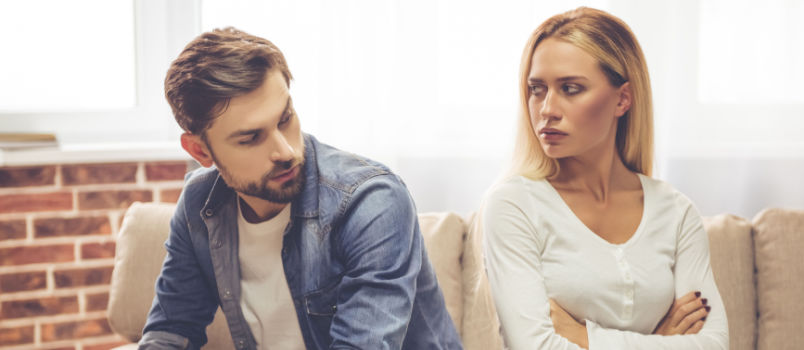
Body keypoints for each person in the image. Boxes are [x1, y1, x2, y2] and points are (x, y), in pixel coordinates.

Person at [138, 27, 462, 350]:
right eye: (251, 137)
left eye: (285, 118)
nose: (286, 152)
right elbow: (171, 328)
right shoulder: (200, 203)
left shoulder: (371, 201)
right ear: (200, 152)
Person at [480, 7, 728, 349]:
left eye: (570, 88)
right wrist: (660, 341)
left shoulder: (675, 213)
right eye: (537, 89)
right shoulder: (512, 204)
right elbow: (536, 346)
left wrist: (585, 337)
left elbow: (713, 344)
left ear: (622, 99)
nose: (547, 109)